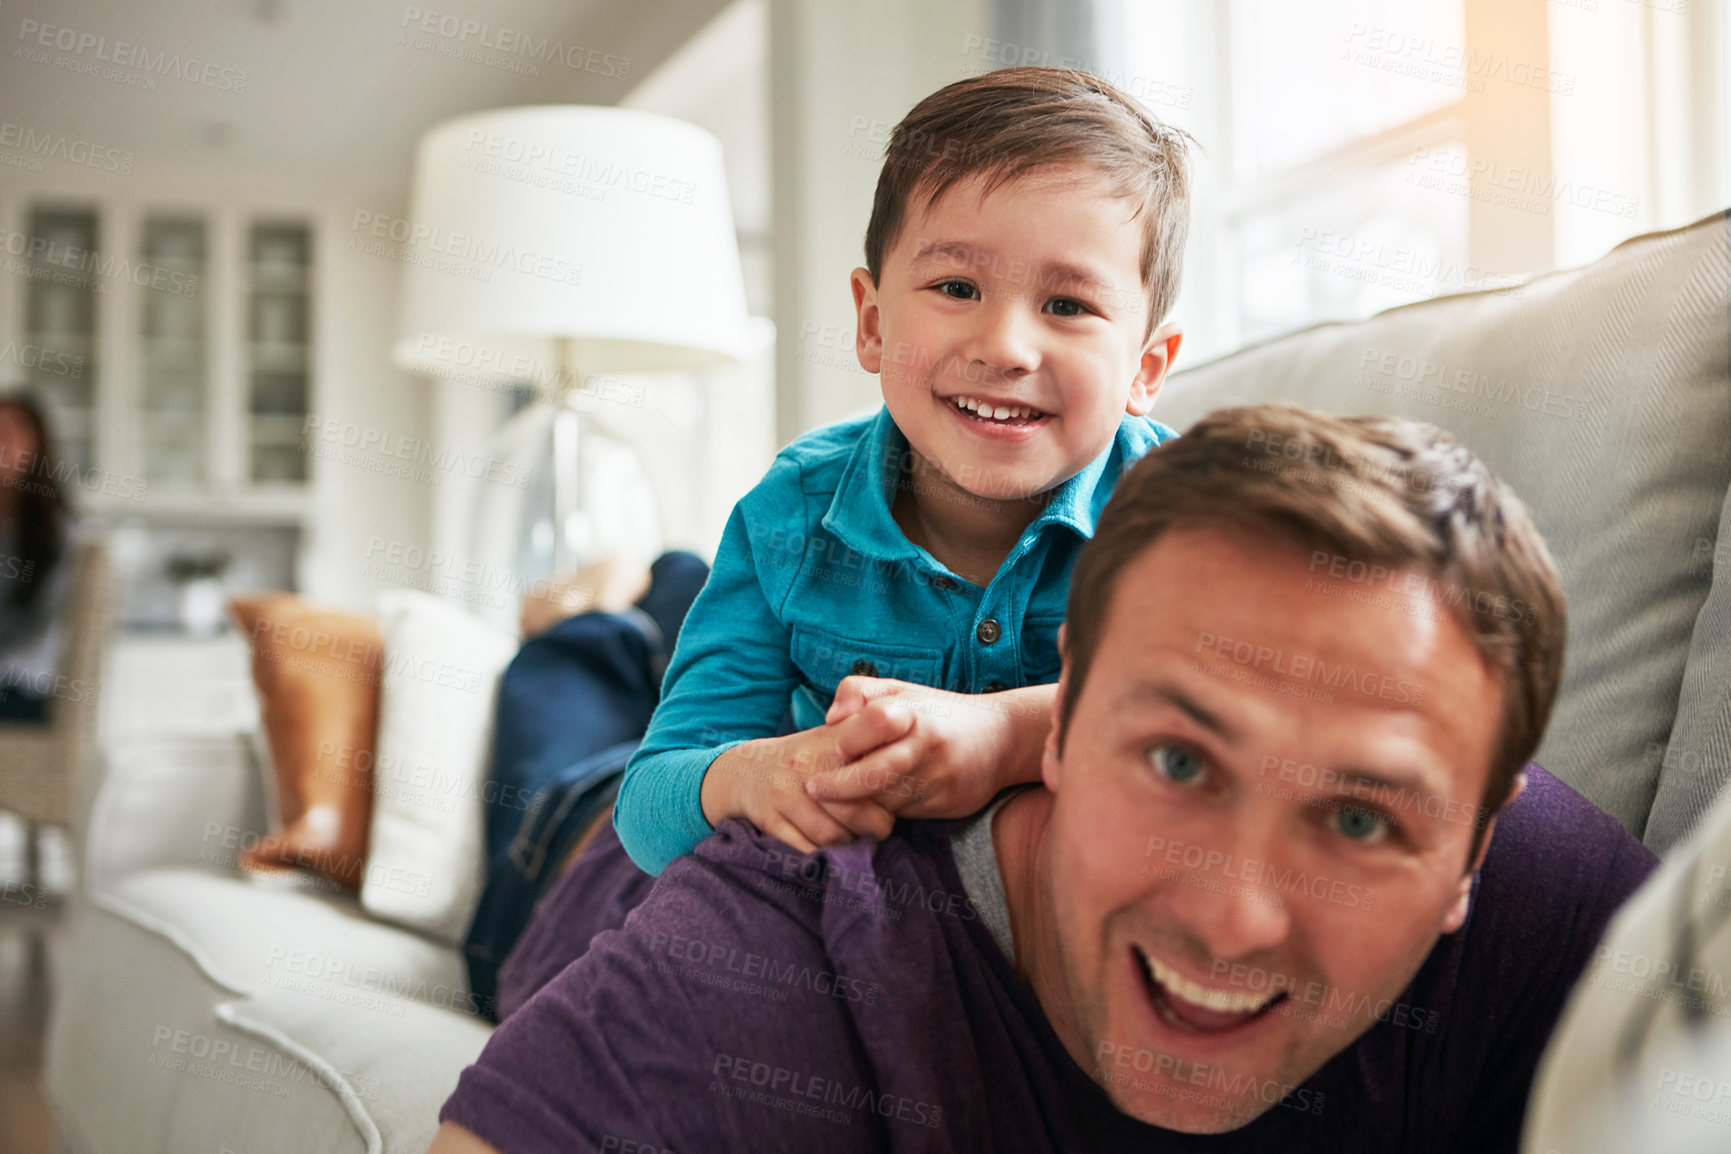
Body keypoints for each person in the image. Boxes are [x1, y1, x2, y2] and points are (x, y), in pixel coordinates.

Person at [427, 404, 1658, 1153]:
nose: (1231, 919)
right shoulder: (796, 946)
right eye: (1179, 760)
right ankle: (607, 620)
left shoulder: (1562, 906)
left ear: (1475, 853)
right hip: (598, 851)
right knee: (576, 709)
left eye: (1354, 817)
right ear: (1059, 726)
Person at [614, 65, 1191, 874]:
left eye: (1067, 306)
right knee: (571, 741)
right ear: (873, 324)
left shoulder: (1192, 523)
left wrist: (1010, 734)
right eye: (957, 286)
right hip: (606, 851)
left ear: (1147, 365)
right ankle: (596, 635)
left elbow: (1245, 723)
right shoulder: (789, 516)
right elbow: (645, 811)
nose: (1005, 348)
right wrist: (751, 774)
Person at [0, 391, 77, 723]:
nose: (4, 440)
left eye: (16, 430)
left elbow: (48, 630)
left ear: (38, 446)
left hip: (23, 686)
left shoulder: (62, 534)